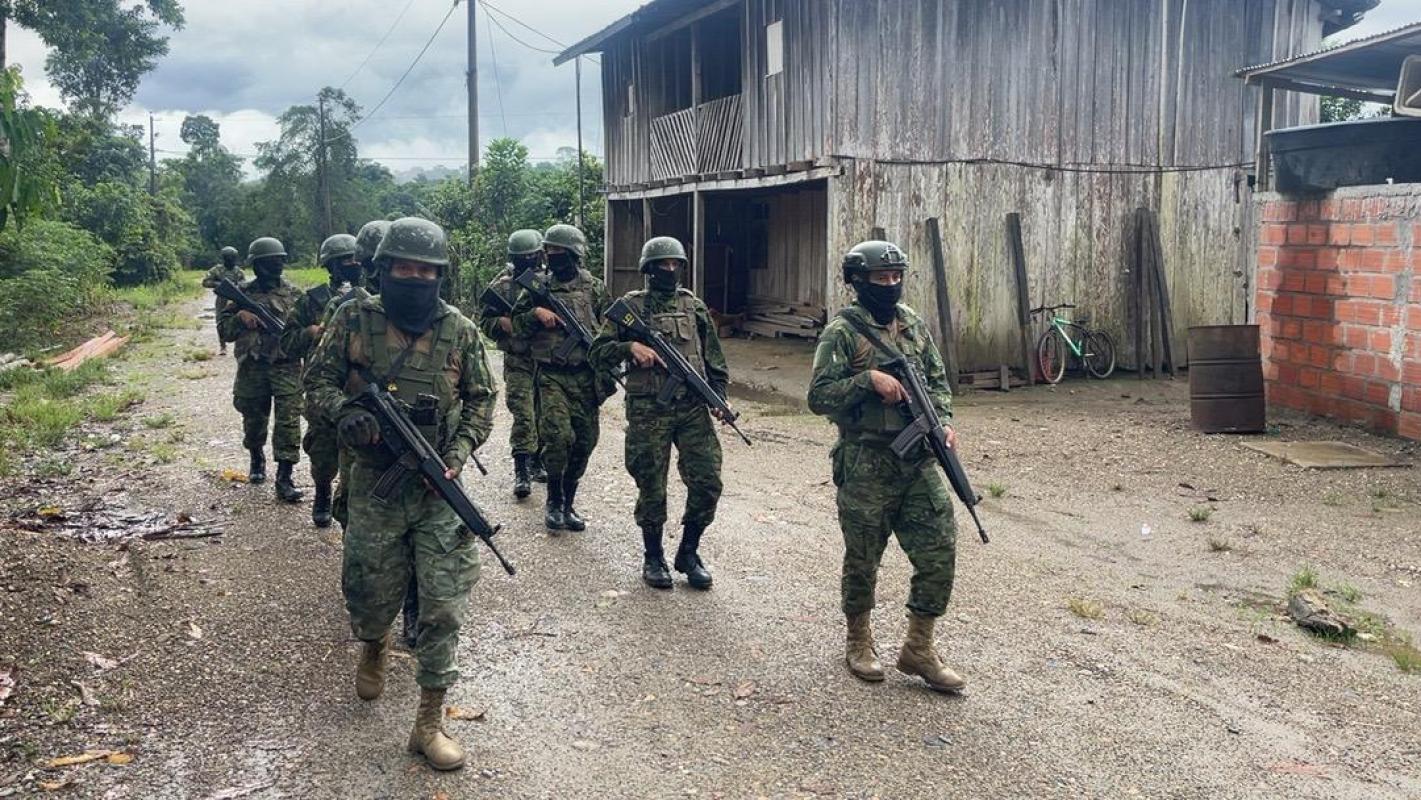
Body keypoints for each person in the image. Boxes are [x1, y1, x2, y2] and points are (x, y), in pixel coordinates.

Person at [306, 216, 496, 771]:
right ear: (384, 269)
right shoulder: (353, 318)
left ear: (440, 275)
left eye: (426, 271)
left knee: (444, 605)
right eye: (404, 269)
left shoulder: (460, 330)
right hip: (375, 485)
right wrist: (344, 413)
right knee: (370, 591)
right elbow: (315, 383)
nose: (415, 278)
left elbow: (483, 399)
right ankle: (374, 643)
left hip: (438, 488)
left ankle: (428, 723)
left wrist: (458, 452)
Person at [806, 240, 966, 694]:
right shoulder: (842, 331)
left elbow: (937, 380)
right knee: (863, 558)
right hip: (866, 460)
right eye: (882, 278)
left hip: (917, 460)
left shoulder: (912, 323)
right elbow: (818, 396)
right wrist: (867, 380)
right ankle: (859, 641)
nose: (891, 284)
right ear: (859, 281)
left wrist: (944, 421)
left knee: (939, 550)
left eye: (897, 277)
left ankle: (919, 647)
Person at [589, 236, 726, 590]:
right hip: (649, 410)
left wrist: (719, 398)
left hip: (692, 409)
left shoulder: (694, 307)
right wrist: (629, 347)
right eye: (662, 264)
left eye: (675, 264)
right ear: (648, 269)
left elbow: (714, 361)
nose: (669, 269)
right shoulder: (630, 307)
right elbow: (597, 352)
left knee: (708, 480)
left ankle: (688, 553)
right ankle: (653, 556)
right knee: (651, 484)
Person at [509, 223, 611, 533]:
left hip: (586, 376)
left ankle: (568, 503)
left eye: (559, 251)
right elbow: (517, 325)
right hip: (551, 375)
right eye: (549, 250)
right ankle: (553, 501)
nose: (553, 255)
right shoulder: (537, 286)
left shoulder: (595, 288)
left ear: (575, 253)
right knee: (558, 438)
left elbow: (611, 331)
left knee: (585, 441)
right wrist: (535, 315)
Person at [284, 233, 365, 528]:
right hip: (324, 386)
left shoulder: (368, 298)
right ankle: (321, 492)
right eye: (344, 260)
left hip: (358, 388)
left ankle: (350, 507)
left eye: (355, 259)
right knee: (322, 449)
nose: (352, 264)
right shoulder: (312, 300)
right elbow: (287, 343)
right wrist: (310, 333)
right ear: (330, 265)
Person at [217, 237, 304, 502]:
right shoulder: (241, 294)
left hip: (286, 366)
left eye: (279, 261)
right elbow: (224, 332)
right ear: (256, 265)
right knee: (253, 420)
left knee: (289, 423)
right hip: (252, 367)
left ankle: (285, 477)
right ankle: (256, 457)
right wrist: (240, 318)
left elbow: (304, 333)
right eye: (269, 262)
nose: (276, 266)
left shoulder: (295, 294)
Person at [476, 229, 546, 500]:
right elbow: (486, 322)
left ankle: (538, 461)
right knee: (524, 414)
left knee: (543, 414)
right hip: (518, 360)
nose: (527, 260)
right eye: (522, 257)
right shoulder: (503, 287)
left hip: (547, 361)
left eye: (531, 255)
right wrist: (503, 324)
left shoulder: (548, 283)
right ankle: (522, 470)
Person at [202, 246, 245, 355]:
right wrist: (220, 284)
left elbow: (244, 285)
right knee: (220, 321)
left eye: (232, 258)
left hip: (236, 299)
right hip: (222, 299)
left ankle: (239, 345)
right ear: (224, 258)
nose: (230, 260)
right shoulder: (216, 270)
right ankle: (223, 346)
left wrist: (237, 286)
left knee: (239, 321)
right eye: (228, 258)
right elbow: (205, 282)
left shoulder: (239, 271)